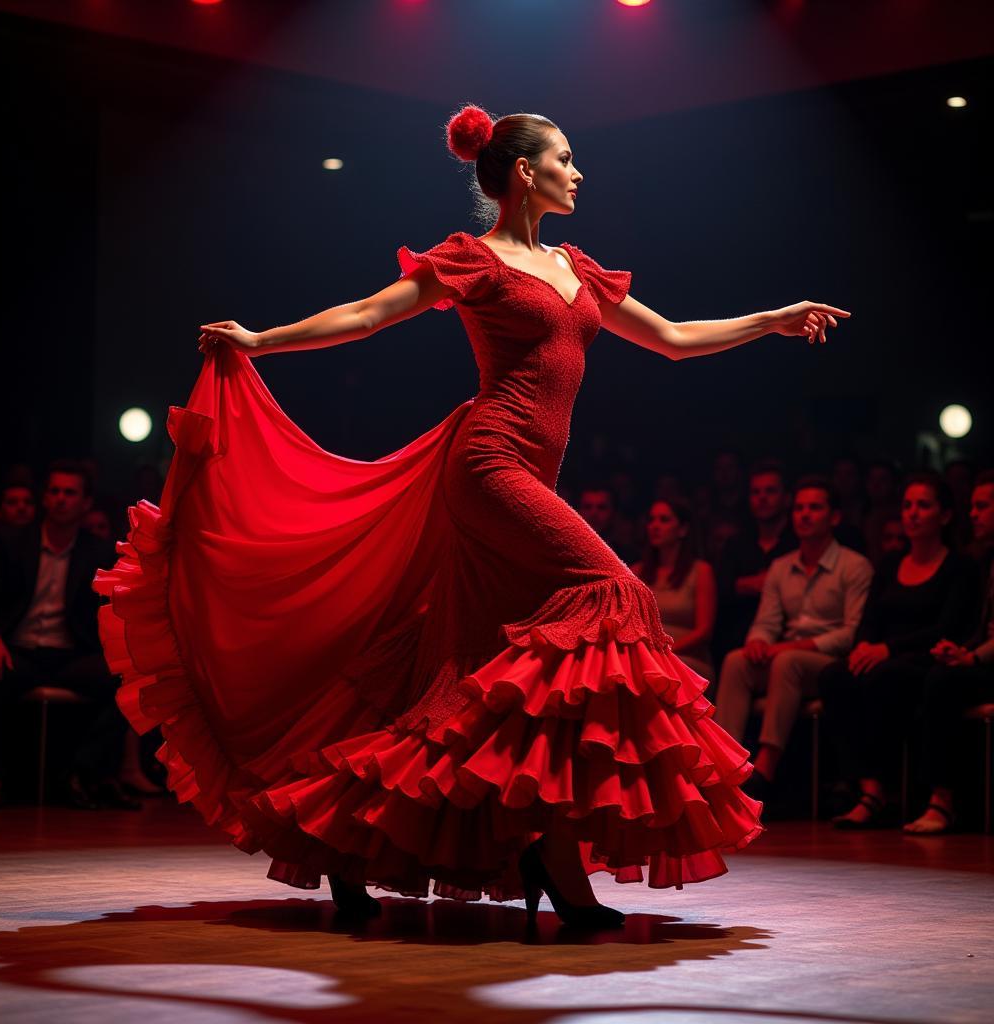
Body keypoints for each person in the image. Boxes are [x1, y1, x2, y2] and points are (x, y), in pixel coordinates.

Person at [95, 103, 849, 925]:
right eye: (566, 157)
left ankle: (373, 844)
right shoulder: (475, 262)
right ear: (525, 171)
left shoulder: (579, 268)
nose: (579, 170)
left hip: (534, 475)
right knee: (616, 593)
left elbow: (670, 338)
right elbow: (369, 312)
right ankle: (551, 864)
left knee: (461, 679)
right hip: (489, 466)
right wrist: (261, 340)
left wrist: (769, 320)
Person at [820, 473, 980, 829]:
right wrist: (863, 644)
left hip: (922, 655)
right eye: (908, 505)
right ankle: (867, 787)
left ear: (946, 515)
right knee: (835, 677)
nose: (912, 513)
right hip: (880, 653)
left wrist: (886, 649)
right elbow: (870, 616)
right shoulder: (891, 563)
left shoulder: (958, 566)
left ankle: (897, 791)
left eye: (923, 505)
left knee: (885, 678)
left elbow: (947, 628)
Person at [0, 461, 133, 810]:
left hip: (71, 653)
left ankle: (81, 771)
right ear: (45, 497)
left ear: (85, 503)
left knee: (127, 684)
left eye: (70, 492)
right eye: (54, 491)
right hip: (20, 648)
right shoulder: (13, 541)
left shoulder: (98, 549)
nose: (61, 499)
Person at [713, 477, 873, 804]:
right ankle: (722, 765)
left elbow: (850, 632)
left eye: (815, 508)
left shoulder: (854, 566)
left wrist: (792, 647)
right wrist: (758, 640)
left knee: (787, 661)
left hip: (828, 662)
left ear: (835, 517)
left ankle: (764, 770)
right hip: (785, 657)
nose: (805, 515)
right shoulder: (781, 567)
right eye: (800, 508)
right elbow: (767, 622)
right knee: (736, 660)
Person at [903, 470, 994, 834]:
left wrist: (972, 657)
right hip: (984, 658)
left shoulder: (968, 563)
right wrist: (963, 649)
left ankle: (943, 799)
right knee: (933, 674)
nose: (973, 514)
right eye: (972, 505)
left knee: (941, 681)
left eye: (983, 506)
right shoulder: (983, 559)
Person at [713, 459, 797, 664]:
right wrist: (764, 583)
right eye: (756, 492)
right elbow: (722, 589)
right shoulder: (737, 543)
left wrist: (744, 584)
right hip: (737, 635)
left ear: (786, 498)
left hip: (787, 637)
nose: (762, 498)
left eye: (770, 491)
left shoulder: (798, 542)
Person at [632, 497, 716, 681]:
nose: (655, 526)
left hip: (686, 658)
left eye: (664, 520)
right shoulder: (636, 572)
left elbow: (704, 630)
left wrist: (666, 649)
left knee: (656, 670)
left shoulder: (700, 571)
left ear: (683, 529)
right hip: (646, 656)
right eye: (651, 520)